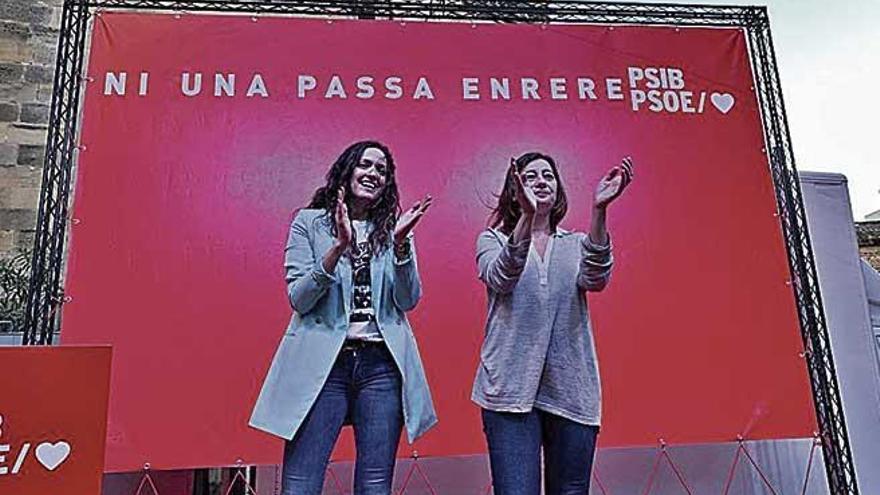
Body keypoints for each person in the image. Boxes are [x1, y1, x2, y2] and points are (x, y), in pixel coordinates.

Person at [250, 140, 438, 495]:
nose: (373, 174)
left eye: (381, 170)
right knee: (300, 483)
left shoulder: (394, 229)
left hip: (381, 365)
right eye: (365, 165)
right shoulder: (309, 224)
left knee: (375, 484)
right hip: (325, 365)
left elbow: (407, 300)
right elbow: (300, 298)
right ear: (347, 169)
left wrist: (400, 246)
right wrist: (337, 248)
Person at [473, 152, 634, 495]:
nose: (541, 181)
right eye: (531, 177)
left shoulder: (575, 243)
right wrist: (527, 219)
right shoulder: (492, 240)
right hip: (508, 391)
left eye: (548, 175)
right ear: (515, 191)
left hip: (572, 389)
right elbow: (501, 276)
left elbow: (596, 277)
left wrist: (599, 210)